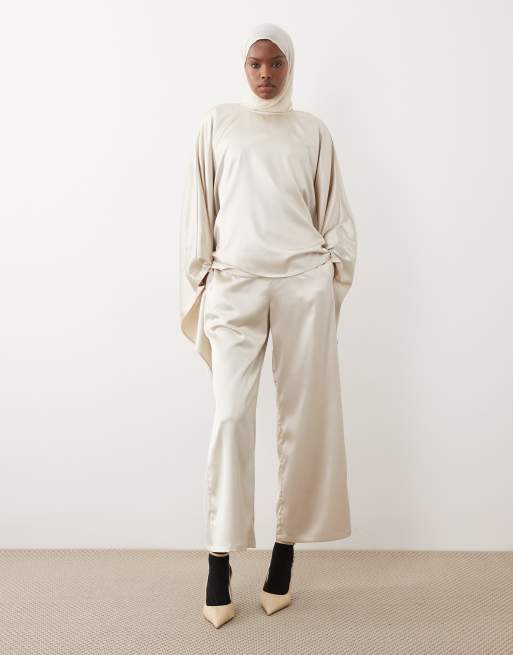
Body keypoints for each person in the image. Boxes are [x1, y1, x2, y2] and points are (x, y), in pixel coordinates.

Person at [179, 22, 358, 628]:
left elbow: (335, 216)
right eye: (256, 63)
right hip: (234, 284)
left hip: (302, 285)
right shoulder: (218, 124)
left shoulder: (312, 131)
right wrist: (200, 281)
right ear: (243, 66)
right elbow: (198, 210)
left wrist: (329, 279)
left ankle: (284, 555)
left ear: (290, 67)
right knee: (231, 414)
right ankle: (219, 559)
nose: (265, 74)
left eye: (276, 63)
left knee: (304, 419)